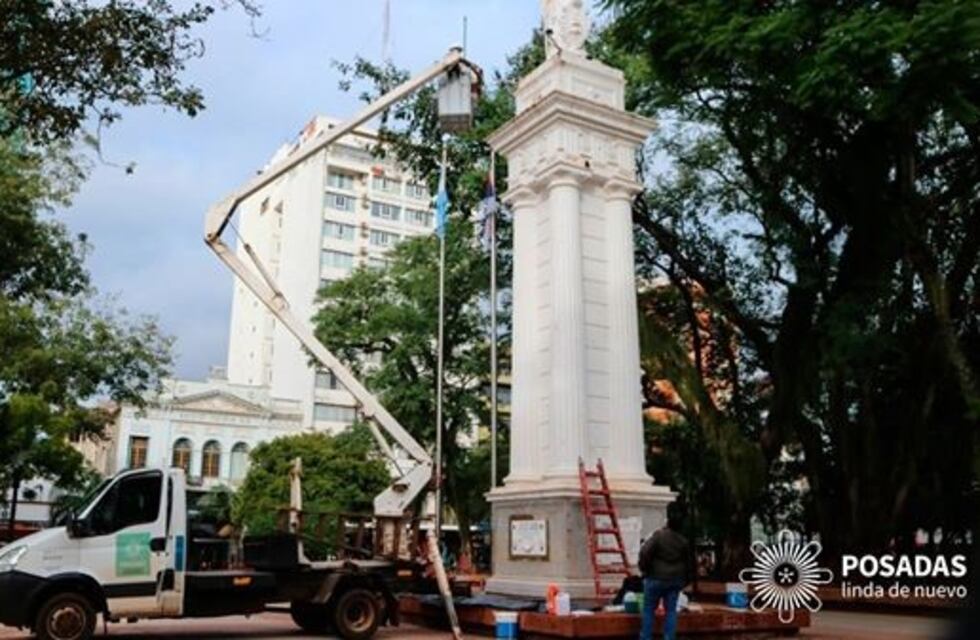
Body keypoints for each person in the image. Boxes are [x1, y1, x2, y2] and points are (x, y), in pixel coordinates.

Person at [637, 505, 690, 640]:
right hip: (675, 580)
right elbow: (689, 562)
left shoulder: (658, 536)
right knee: (671, 611)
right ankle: (669, 637)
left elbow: (645, 552)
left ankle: (646, 637)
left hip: (655, 577)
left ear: (667, 522)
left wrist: (644, 569)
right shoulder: (683, 541)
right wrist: (685, 580)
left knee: (648, 610)